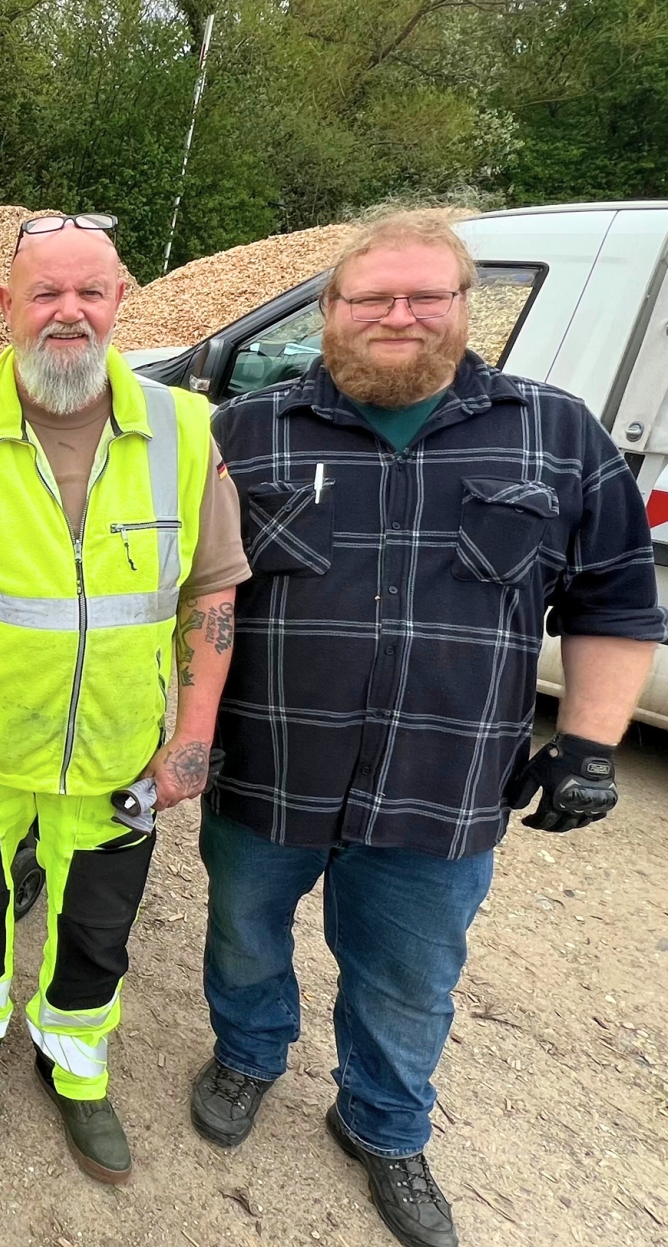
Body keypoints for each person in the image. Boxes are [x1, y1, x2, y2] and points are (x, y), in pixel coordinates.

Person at [196, 210, 665, 1247]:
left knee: (409, 976)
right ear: (330, 312)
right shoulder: (247, 432)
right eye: (370, 298)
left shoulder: (556, 431)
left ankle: (383, 1120)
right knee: (240, 936)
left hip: (443, 787)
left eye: (424, 296)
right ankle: (248, 1052)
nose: (397, 316)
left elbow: (618, 599)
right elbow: (194, 599)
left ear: (465, 306)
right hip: (267, 771)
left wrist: (589, 745)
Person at [0, 214, 250, 1178]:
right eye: (44, 293)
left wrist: (192, 737)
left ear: (122, 301)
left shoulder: (185, 431)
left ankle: (76, 1070)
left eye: (89, 291)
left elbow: (211, 590)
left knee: (96, 931)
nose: (67, 312)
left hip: (120, 755)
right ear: (6, 309)